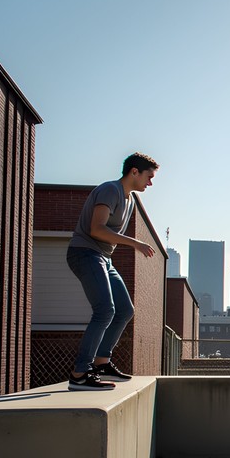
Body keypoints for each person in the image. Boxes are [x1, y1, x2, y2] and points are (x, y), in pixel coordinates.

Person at [66, 153, 159, 391]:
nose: (150, 183)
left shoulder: (129, 200)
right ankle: (80, 373)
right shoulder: (110, 190)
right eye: (149, 177)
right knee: (105, 310)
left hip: (103, 258)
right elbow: (96, 229)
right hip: (85, 253)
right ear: (134, 172)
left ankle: (102, 362)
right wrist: (135, 243)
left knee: (125, 310)